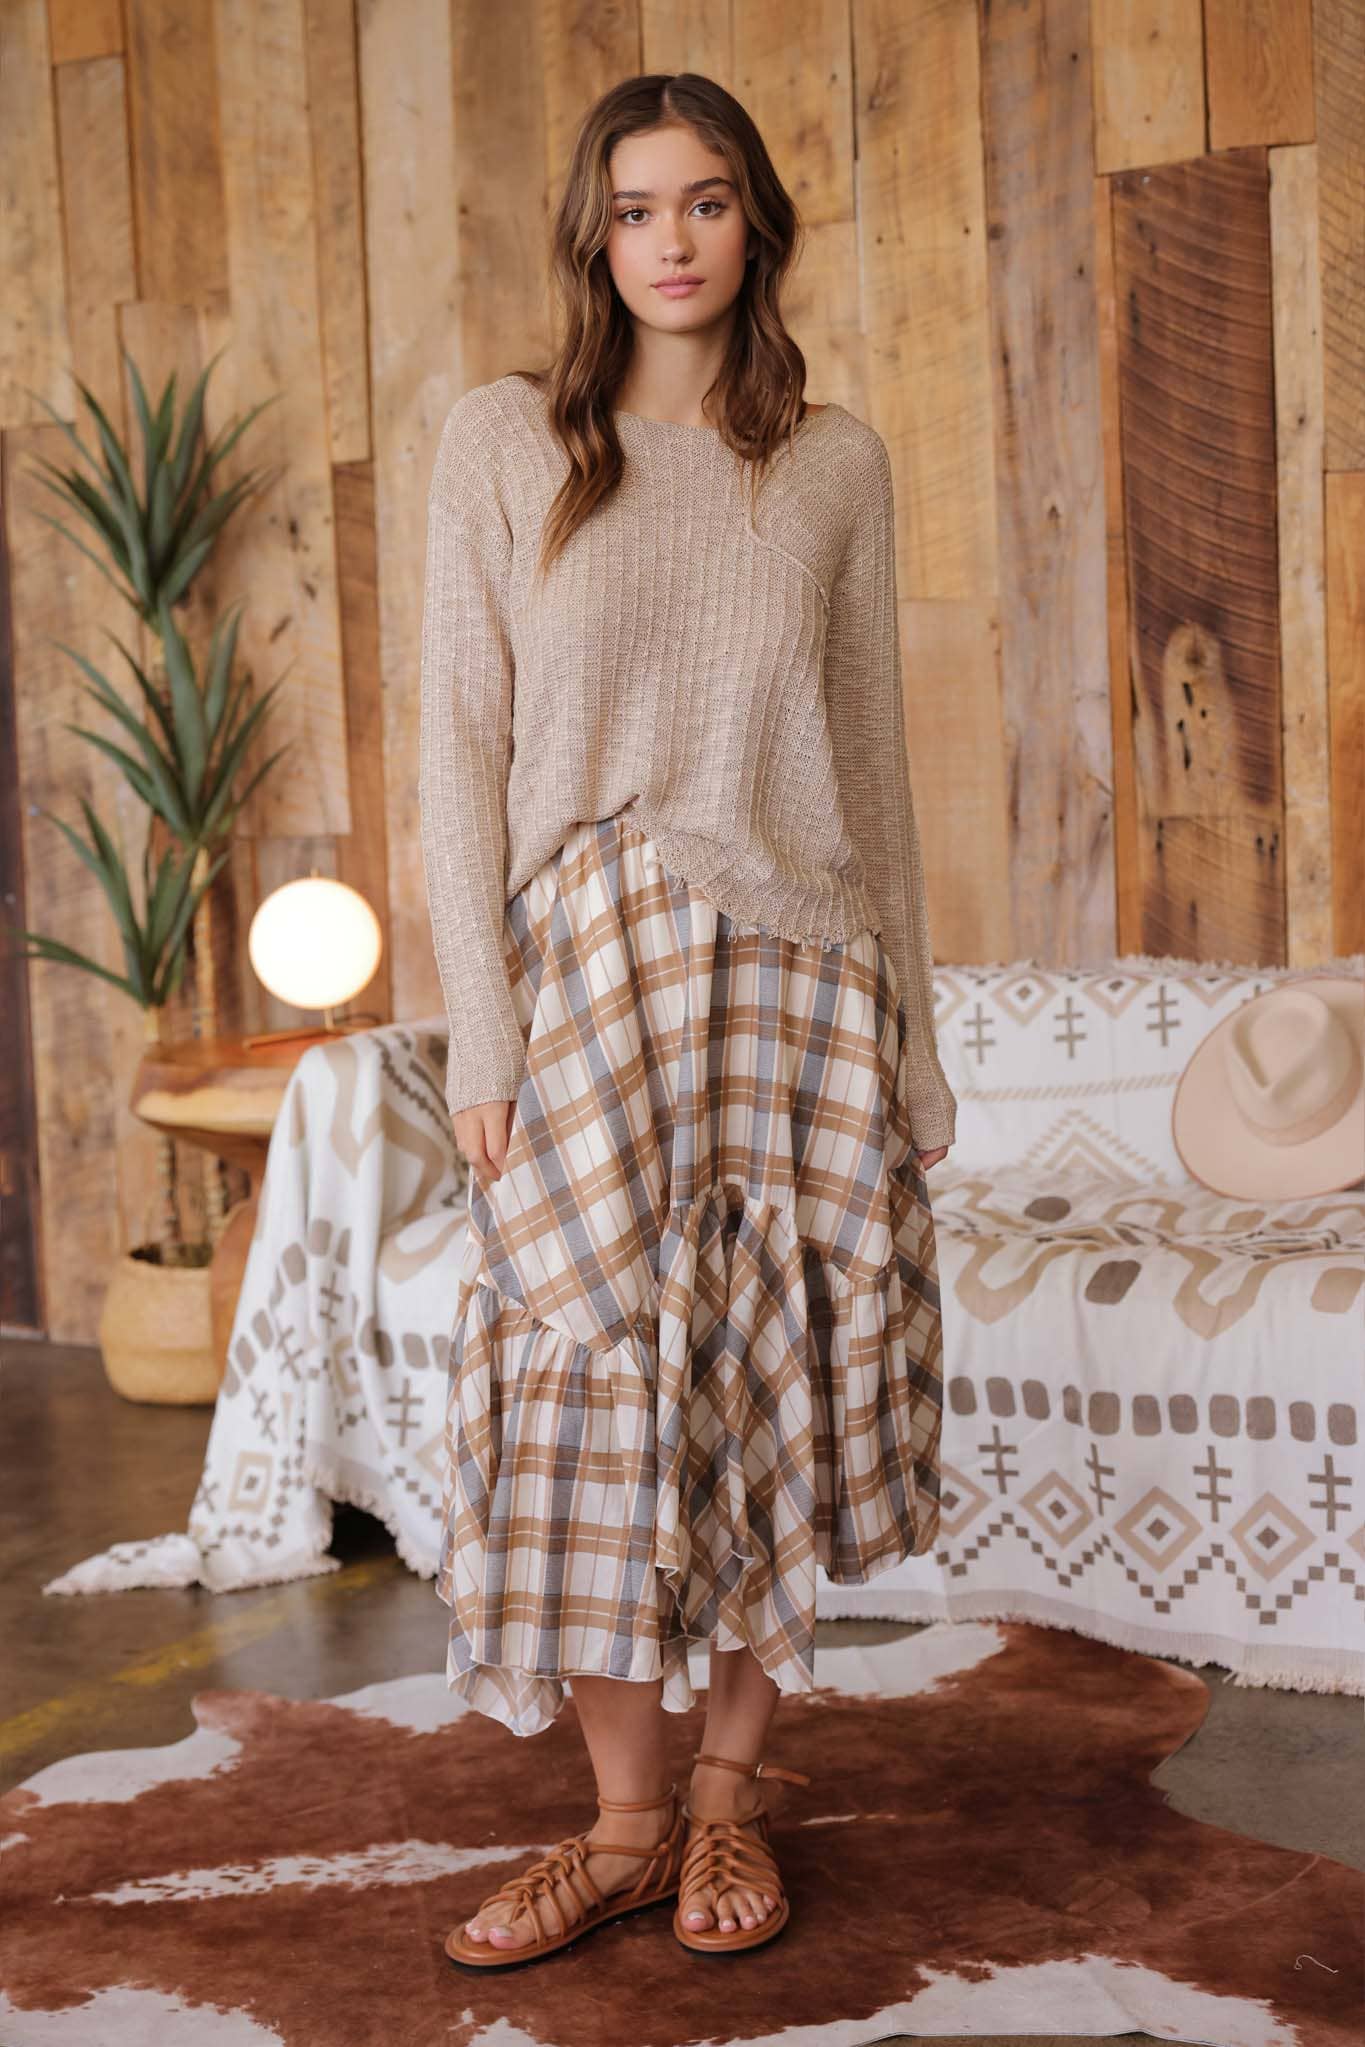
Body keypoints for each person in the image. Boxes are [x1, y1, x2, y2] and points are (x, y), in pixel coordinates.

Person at [419, 70, 956, 1969]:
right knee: (579, 1376)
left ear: (756, 227)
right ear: (594, 234)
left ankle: (725, 1810)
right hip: (583, 971)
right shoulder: (503, 441)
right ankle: (619, 1823)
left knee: (759, 1381)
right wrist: (480, 1036)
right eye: (637, 208)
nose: (671, 241)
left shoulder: (833, 464)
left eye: (707, 203)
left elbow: (872, 765)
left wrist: (911, 1025)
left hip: (792, 972)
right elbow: (460, 750)